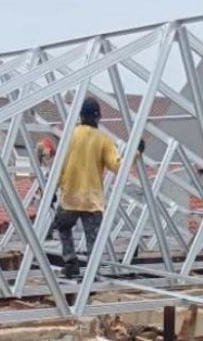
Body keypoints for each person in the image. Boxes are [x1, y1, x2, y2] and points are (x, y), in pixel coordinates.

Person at [54, 96, 145, 279]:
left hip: (70, 196)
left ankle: (70, 262)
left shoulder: (69, 136)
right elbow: (117, 166)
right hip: (92, 200)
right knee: (93, 239)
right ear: (98, 117)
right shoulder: (104, 140)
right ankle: (92, 273)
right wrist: (136, 152)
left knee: (62, 226)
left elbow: (59, 166)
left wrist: (53, 189)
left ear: (80, 115)